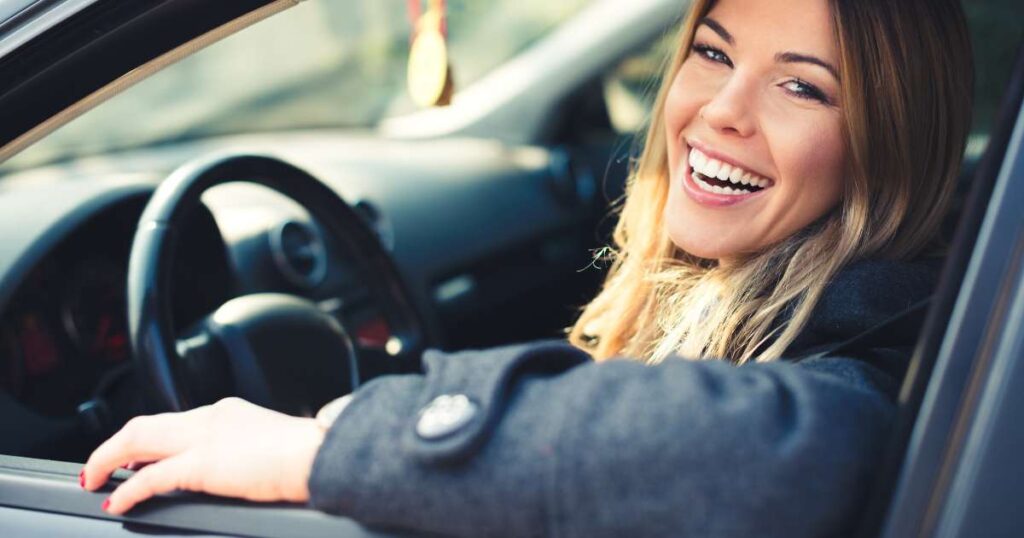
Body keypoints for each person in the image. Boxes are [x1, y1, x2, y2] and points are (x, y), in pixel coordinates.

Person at [80, 0, 974, 536]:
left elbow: (803, 454)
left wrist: (334, 447)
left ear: (885, 143)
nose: (722, 110)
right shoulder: (736, 301)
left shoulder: (890, 351)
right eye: (713, 49)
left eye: (802, 85)